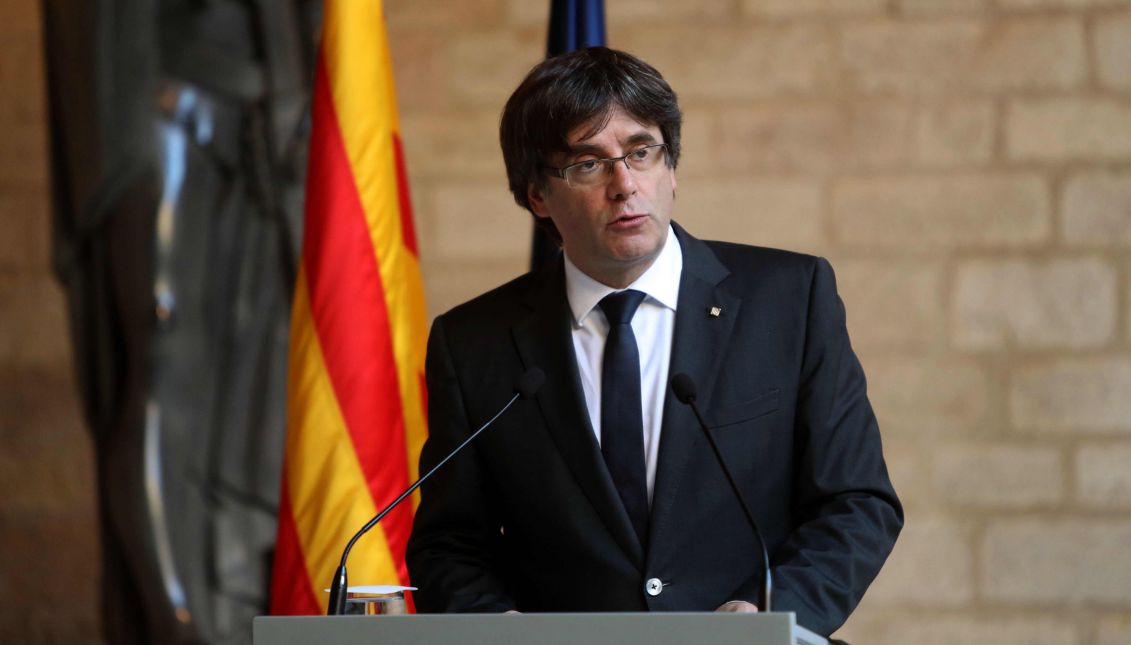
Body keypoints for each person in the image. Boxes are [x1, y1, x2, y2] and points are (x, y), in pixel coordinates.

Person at [405, 46, 902, 637]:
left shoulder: (790, 300)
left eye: (641, 153)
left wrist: (766, 615)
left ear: (671, 167)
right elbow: (450, 544)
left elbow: (857, 502)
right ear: (537, 194)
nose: (624, 185)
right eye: (588, 164)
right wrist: (500, 628)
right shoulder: (473, 343)